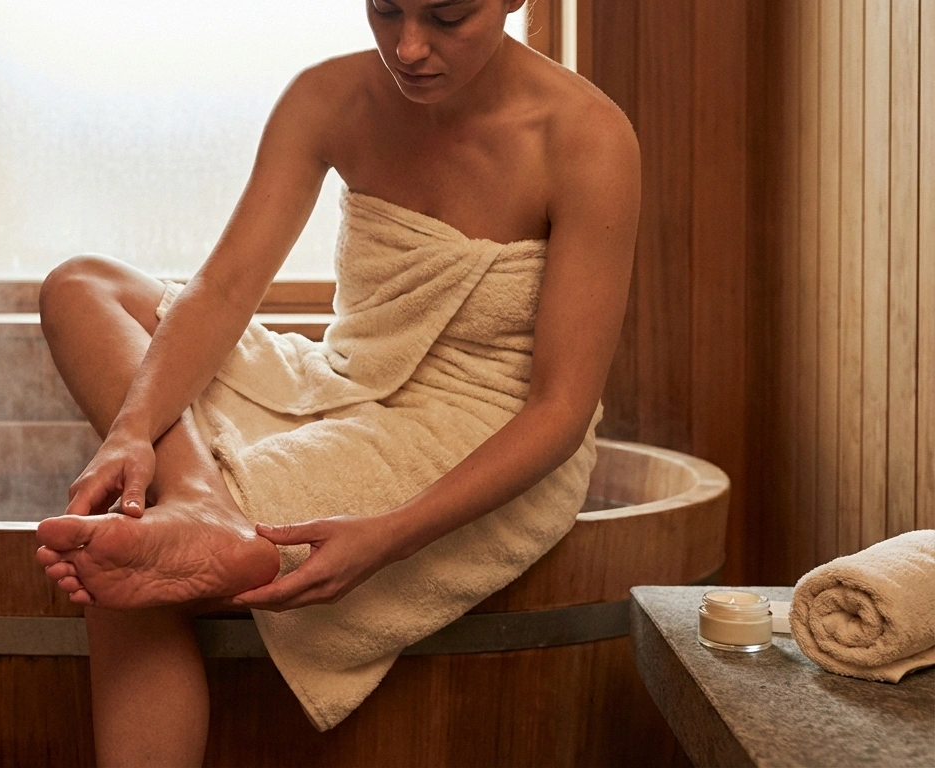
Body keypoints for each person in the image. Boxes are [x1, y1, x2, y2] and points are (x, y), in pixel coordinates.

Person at [34, 0, 640, 764]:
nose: (408, 47)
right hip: (343, 380)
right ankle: (196, 497)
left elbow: (560, 410)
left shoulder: (587, 139)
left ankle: (191, 521)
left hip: (486, 430)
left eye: (447, 17)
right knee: (82, 286)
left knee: (121, 559)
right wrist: (132, 431)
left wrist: (387, 539)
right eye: (385, 8)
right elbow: (223, 291)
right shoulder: (328, 97)